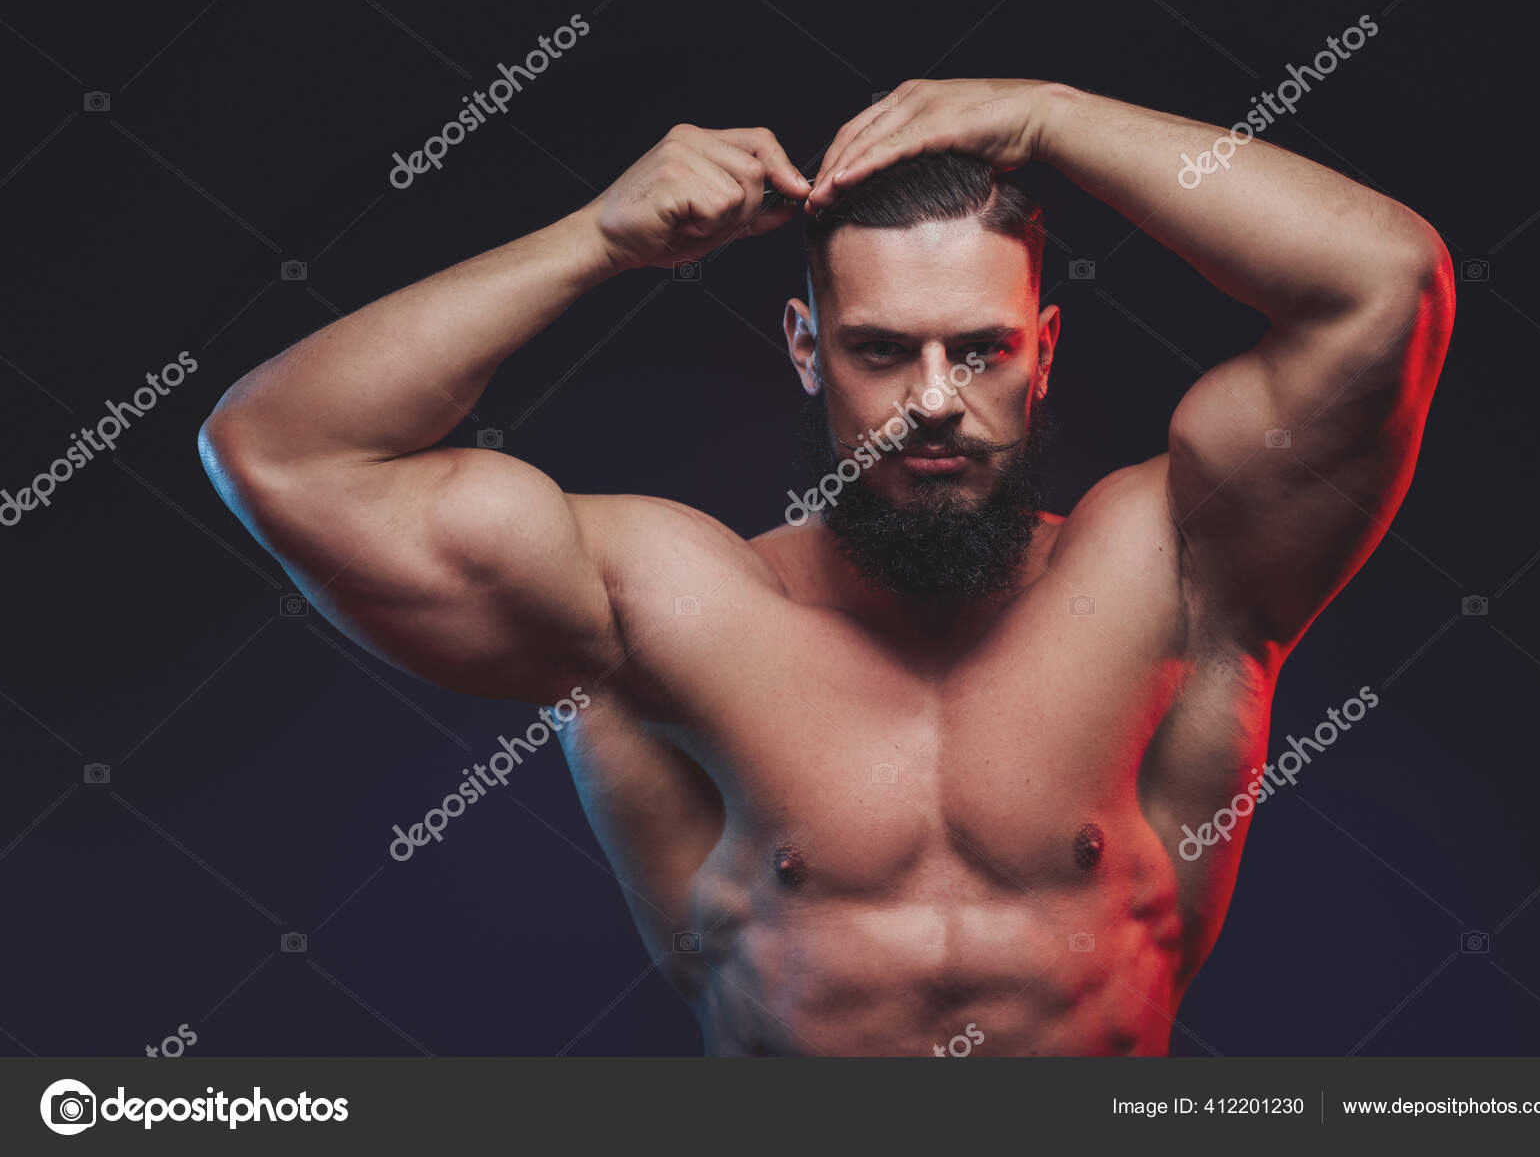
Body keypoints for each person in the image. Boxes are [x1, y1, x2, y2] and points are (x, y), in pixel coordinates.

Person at [199, 78, 1454, 1055]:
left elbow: (1385, 288)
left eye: (979, 350)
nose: (932, 403)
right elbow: (283, 453)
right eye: (877, 350)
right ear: (804, 347)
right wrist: (594, 242)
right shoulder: (665, 608)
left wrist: (1055, 121)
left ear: (1045, 349)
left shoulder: (1174, 564)